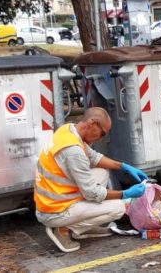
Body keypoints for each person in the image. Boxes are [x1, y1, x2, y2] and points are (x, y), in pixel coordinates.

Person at [34, 107, 148, 252]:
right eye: (103, 133)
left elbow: (94, 158)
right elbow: (92, 193)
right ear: (93, 124)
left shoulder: (68, 130)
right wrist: (125, 193)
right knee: (118, 208)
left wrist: (123, 166)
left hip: (54, 197)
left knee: (102, 172)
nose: (101, 138)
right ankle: (64, 229)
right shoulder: (73, 151)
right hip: (55, 210)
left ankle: (81, 227)